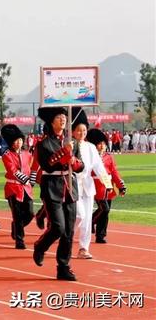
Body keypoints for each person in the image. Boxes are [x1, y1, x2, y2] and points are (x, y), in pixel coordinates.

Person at [33, 106, 84, 281]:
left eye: (64, 116)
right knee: (58, 227)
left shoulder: (73, 141)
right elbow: (48, 164)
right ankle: (40, 246)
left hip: (69, 187)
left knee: (68, 231)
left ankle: (63, 266)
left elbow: (81, 166)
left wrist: (74, 160)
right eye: (58, 117)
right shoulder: (43, 144)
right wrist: (65, 152)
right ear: (51, 122)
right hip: (52, 188)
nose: (63, 119)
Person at [71, 108, 110, 260]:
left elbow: (99, 168)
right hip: (73, 186)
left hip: (87, 187)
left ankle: (83, 248)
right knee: (80, 216)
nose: (82, 133)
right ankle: (66, 235)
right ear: (73, 131)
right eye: (79, 130)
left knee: (87, 219)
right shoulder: (69, 145)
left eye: (84, 130)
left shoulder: (91, 147)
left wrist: (108, 183)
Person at [1, 124, 37, 249]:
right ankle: (19, 240)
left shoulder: (27, 153)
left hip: (26, 189)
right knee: (17, 215)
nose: (19, 143)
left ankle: (16, 226)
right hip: (13, 189)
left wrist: (32, 180)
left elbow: (32, 167)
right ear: (11, 142)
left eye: (20, 140)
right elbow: (12, 171)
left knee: (30, 213)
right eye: (16, 141)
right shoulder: (7, 155)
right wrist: (26, 179)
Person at [88, 129, 127, 244]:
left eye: (104, 144)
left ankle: (100, 235)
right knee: (104, 209)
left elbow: (114, 172)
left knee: (106, 212)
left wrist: (120, 186)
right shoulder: (90, 157)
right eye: (99, 144)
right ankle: (90, 221)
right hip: (95, 186)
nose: (102, 146)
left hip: (107, 186)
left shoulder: (108, 157)